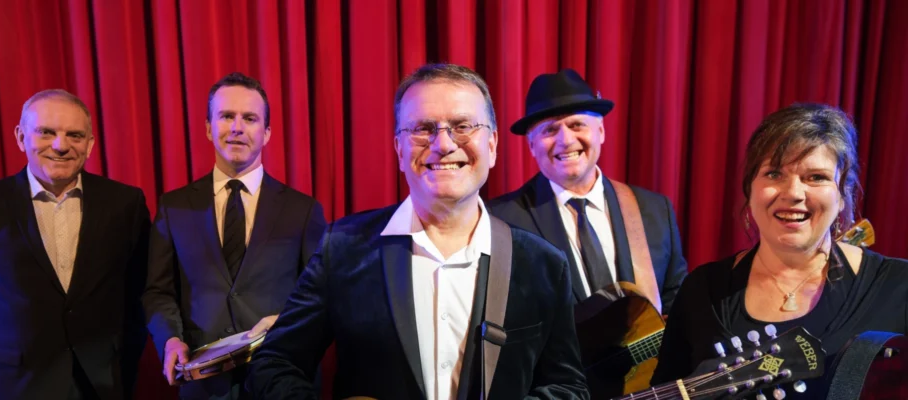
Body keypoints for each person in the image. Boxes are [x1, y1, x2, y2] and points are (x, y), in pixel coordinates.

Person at [245, 63, 588, 399]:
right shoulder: (343, 248)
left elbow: (568, 387)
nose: (443, 144)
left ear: (493, 146)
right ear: (398, 149)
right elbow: (273, 364)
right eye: (423, 128)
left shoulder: (543, 264)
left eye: (463, 125)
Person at [651, 104, 908, 398]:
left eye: (816, 177)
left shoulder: (898, 287)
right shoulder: (703, 290)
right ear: (750, 190)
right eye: (774, 174)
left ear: (843, 194)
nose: (793, 193)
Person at [0, 89, 150, 399]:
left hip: (103, 384)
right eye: (46, 132)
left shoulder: (125, 203)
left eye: (75, 135)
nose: (61, 145)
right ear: (20, 136)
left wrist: (125, 365)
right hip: (16, 385)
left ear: (90, 144)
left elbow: (140, 292)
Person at [143, 72, 326, 400]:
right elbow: (158, 291)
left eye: (250, 118)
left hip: (281, 381)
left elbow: (321, 296)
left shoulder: (304, 210)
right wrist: (170, 339)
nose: (237, 127)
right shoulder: (173, 207)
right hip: (203, 385)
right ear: (209, 128)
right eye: (227, 116)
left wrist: (285, 322)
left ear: (267, 132)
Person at [489, 69, 687, 314]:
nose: (566, 140)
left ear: (600, 132)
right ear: (531, 145)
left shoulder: (655, 210)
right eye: (550, 130)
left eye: (577, 125)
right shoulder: (501, 222)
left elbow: (676, 304)